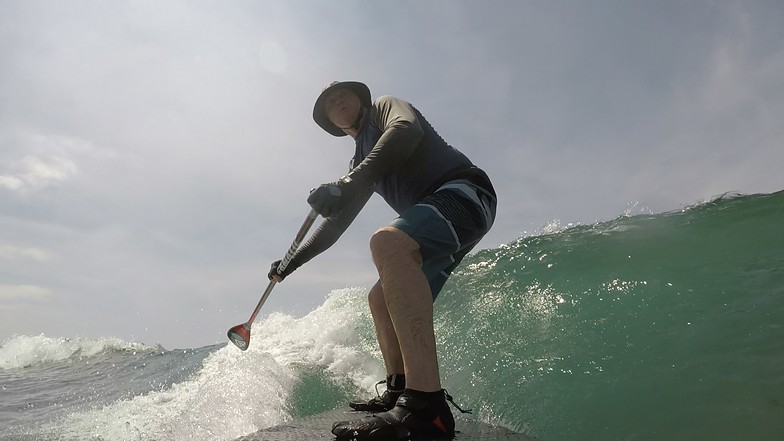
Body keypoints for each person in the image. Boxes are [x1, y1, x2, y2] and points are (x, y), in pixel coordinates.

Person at [268, 81, 497, 440]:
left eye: (342, 94)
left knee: (387, 243)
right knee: (379, 298)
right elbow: (335, 227)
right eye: (329, 103)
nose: (338, 100)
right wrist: (289, 263)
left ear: (360, 99)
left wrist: (347, 183)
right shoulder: (361, 163)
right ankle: (399, 387)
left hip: (465, 193)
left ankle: (425, 406)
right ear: (331, 122)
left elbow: (407, 130)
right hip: (438, 218)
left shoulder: (385, 109)